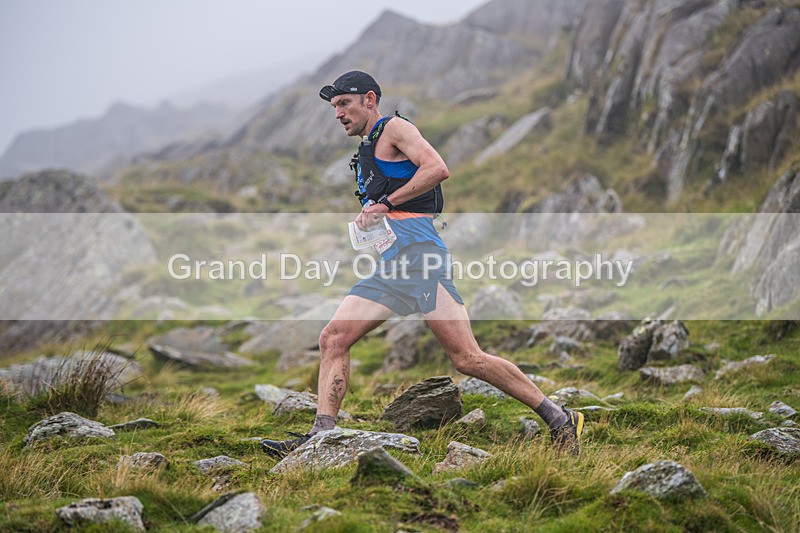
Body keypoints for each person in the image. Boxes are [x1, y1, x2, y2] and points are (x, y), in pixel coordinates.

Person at [261, 70, 583, 457]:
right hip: (393, 265)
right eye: (334, 107)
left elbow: (437, 168)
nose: (338, 114)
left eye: (344, 104)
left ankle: (559, 418)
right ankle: (320, 436)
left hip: (421, 259)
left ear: (368, 99)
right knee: (333, 337)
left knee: (467, 359)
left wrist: (386, 203)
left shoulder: (395, 128)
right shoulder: (368, 148)